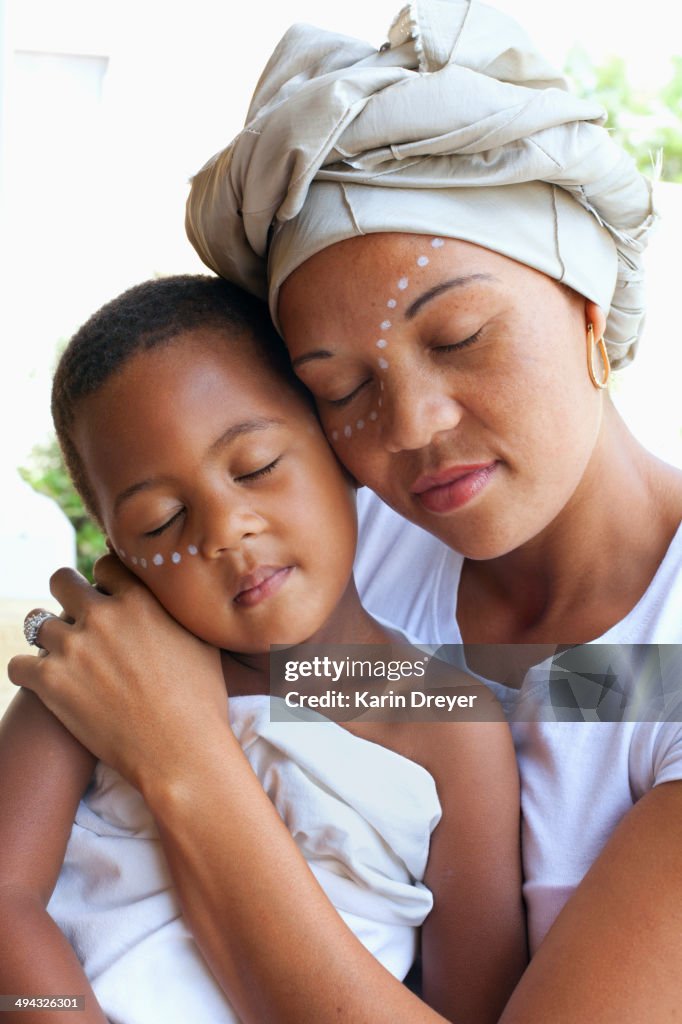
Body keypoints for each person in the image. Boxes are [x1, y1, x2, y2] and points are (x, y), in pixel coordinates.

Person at [8, 0, 682, 1019]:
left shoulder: (584, 681)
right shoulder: (311, 552)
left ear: (589, 301)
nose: (410, 425)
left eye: (457, 336)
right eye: (336, 388)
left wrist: (185, 760)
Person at [0, 274, 523, 1024]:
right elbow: (7, 901)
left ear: (342, 447)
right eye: (160, 521)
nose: (224, 529)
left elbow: (476, 1005)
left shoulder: (447, 722)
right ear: (119, 552)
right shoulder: (94, 676)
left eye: (255, 469)